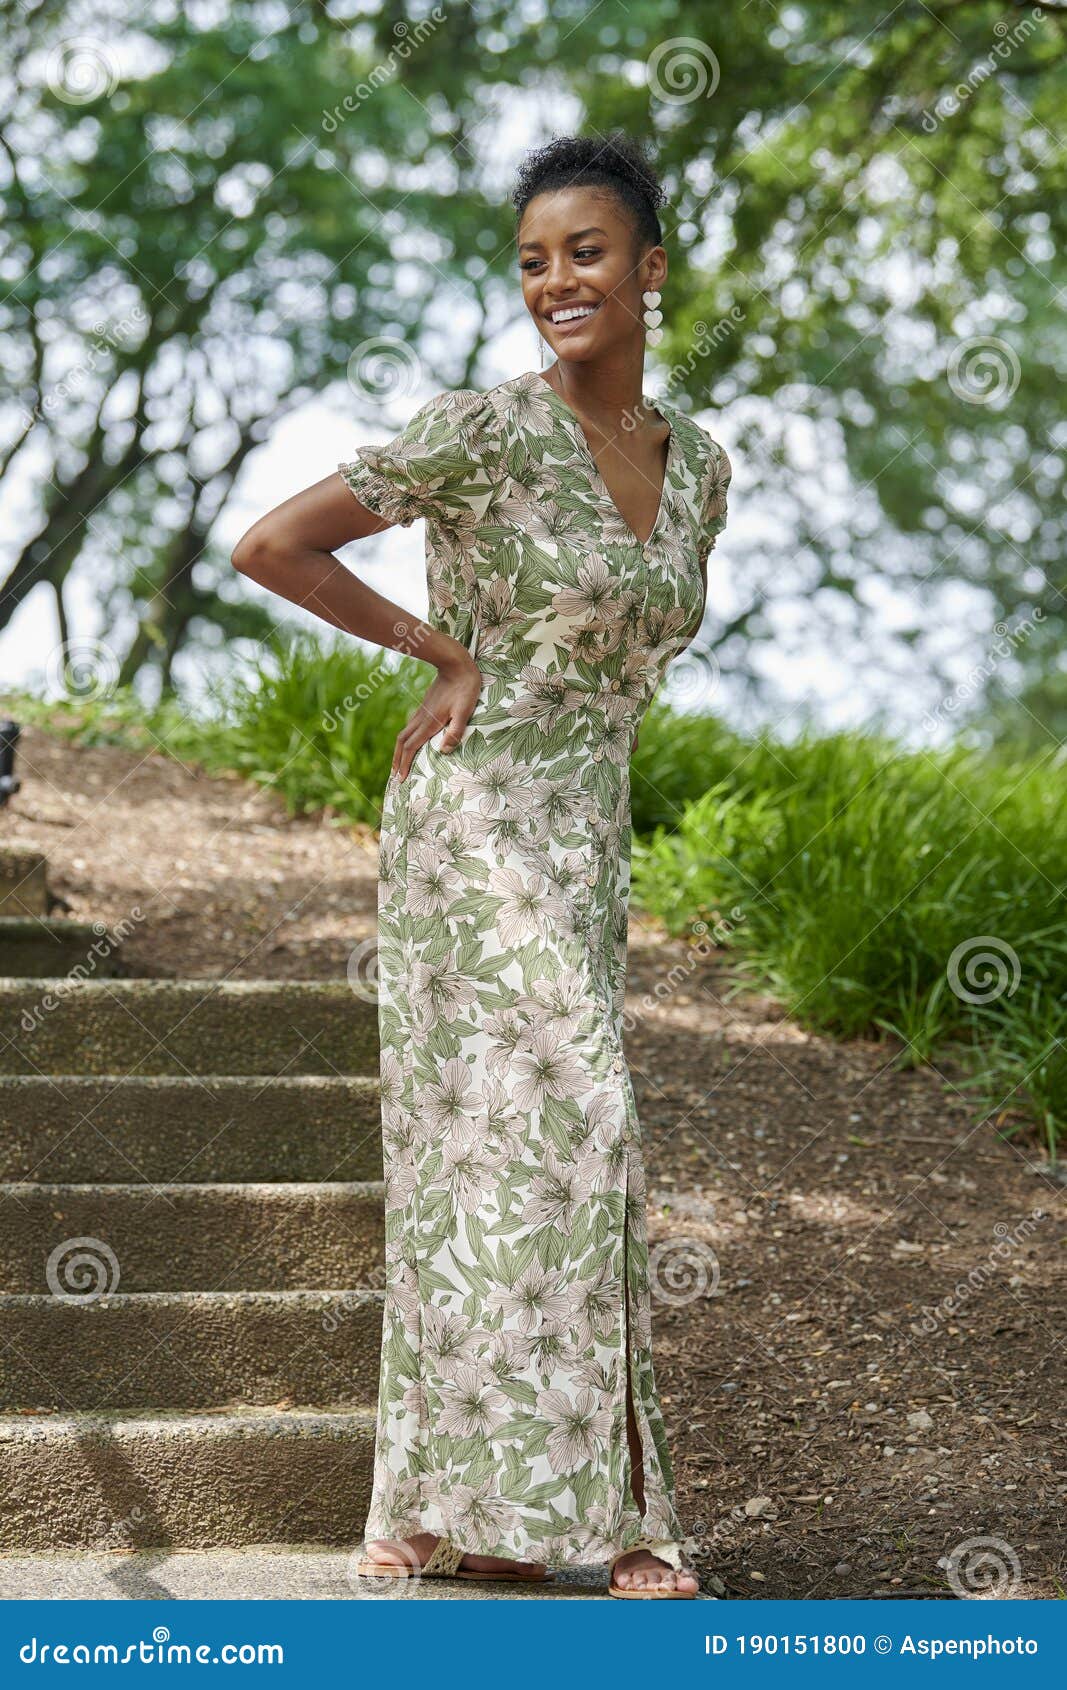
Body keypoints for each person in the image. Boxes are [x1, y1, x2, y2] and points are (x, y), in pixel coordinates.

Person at [231, 131, 731, 1599]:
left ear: (648, 269)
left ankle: (491, 1510)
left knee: (505, 1156)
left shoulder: (700, 467)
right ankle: (517, 1507)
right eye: (532, 260)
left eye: (586, 253)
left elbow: (631, 658)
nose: (556, 281)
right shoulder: (482, 429)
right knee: (575, 1115)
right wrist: (437, 648)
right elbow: (275, 544)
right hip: (473, 819)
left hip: (585, 833)